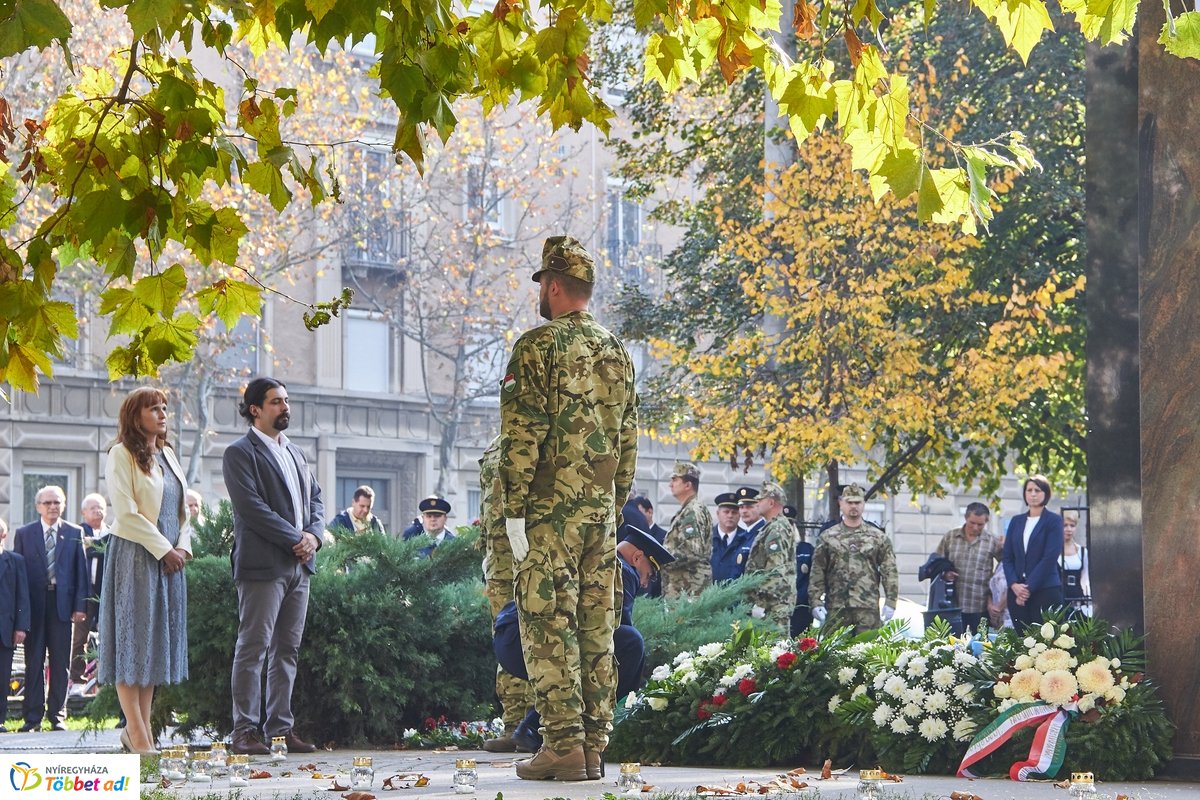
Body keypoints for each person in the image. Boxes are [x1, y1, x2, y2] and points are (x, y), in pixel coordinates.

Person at [499, 235, 638, 781]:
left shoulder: (536, 347)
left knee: (547, 625)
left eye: (542, 284)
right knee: (596, 628)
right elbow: (627, 441)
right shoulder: (618, 353)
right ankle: (595, 746)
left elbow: (521, 438)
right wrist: (612, 504)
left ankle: (562, 747)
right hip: (599, 518)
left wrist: (512, 514)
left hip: (548, 517)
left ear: (553, 286)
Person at [492, 528, 674, 758]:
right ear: (637, 557)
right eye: (650, 574)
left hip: (512, 637)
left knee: (591, 650)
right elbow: (612, 634)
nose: (647, 584)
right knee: (628, 644)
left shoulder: (594, 555)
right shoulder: (621, 569)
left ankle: (533, 728)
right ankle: (608, 721)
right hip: (532, 639)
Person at [222, 377, 324, 756]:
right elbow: (252, 509)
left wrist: (314, 536)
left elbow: (315, 498)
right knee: (253, 648)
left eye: (286, 400)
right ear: (255, 409)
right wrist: (295, 539)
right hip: (263, 567)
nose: (285, 407)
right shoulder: (239, 453)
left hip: (300, 567)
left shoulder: (295, 452)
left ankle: (281, 731)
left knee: (287, 651)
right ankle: (244, 732)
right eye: (277, 402)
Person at [100, 387, 191, 754]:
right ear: (136, 416)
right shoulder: (120, 454)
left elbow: (183, 510)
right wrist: (164, 548)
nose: (162, 413)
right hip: (135, 558)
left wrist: (183, 545)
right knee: (131, 646)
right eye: (154, 408)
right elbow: (126, 514)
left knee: (152, 648)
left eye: (164, 407)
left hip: (169, 563)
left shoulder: (167, 454)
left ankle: (140, 733)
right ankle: (138, 738)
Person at [13, 485, 89, 732]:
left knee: (60, 662)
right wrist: (20, 611)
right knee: (34, 661)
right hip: (34, 607)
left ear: (64, 505)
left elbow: (82, 573)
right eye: (48, 503)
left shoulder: (74, 532)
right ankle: (32, 717)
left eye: (57, 502)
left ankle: (57, 715)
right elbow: (19, 576)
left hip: (62, 606)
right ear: (38, 507)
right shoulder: (25, 534)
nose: (53, 507)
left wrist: (80, 607)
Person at [478, 437, 534, 754]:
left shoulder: (535, 434)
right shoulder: (493, 446)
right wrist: (486, 550)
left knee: (536, 643)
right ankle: (513, 724)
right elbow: (488, 507)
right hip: (499, 563)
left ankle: (536, 727)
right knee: (506, 642)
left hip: (529, 557)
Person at [809, 483, 898, 634]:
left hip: (867, 608)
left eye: (858, 502)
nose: (854, 506)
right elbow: (818, 570)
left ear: (863, 504)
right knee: (835, 655)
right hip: (836, 608)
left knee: (867, 654)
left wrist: (891, 601)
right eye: (849, 502)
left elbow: (889, 570)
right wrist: (815, 600)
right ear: (841, 503)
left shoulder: (877, 537)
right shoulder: (828, 537)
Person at [1002, 475, 1064, 630]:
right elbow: (1007, 556)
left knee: (1044, 644)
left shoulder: (1054, 521)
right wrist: (1014, 584)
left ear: (1046, 493)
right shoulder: (1016, 521)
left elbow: (1049, 558)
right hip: (1016, 593)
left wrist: (1027, 588)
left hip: (1045, 590)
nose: (1033, 494)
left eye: (1038, 490)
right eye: (1029, 490)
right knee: (1022, 643)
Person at [934, 502, 1003, 633]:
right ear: (965, 518)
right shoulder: (950, 537)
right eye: (972, 523)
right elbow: (937, 562)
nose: (975, 527)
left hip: (980, 606)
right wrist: (945, 573)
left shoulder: (992, 541)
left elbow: (1004, 567)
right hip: (952, 604)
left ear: (986, 522)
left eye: (980, 524)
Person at [70, 493, 110, 694]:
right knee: (79, 638)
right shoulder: (75, 532)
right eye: (93, 508)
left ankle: (104, 681)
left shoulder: (112, 533)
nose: (97, 511)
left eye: (101, 507)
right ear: (83, 512)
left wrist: (91, 545)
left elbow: (105, 552)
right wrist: (95, 547)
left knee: (107, 637)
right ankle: (77, 680)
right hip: (83, 593)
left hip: (106, 593)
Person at [743, 482, 797, 627]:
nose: (757, 503)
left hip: (773, 606)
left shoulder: (777, 529)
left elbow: (775, 570)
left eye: (760, 500)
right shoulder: (772, 527)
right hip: (771, 605)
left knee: (775, 648)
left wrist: (761, 603)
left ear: (771, 502)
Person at [658, 462, 713, 599]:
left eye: (675, 479)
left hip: (689, 591)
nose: (670, 484)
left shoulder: (692, 512)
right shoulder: (688, 510)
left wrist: (659, 559)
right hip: (683, 589)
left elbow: (692, 551)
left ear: (688, 485)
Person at [0, 519, 31, 730]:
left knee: (2, 678)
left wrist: (21, 626)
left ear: (4, 535)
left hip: (6, 629)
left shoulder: (15, 561)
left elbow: (22, 597)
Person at [711, 492, 755, 581]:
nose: (730, 516)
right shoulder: (707, 537)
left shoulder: (747, 538)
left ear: (739, 515)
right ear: (718, 513)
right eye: (726, 512)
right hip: (708, 593)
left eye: (734, 512)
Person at [1059, 510, 1091, 617]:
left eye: (1072, 525)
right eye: (1065, 525)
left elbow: (1085, 578)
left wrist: (1087, 598)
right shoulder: (1052, 551)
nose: (1069, 529)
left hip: (1077, 598)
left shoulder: (1082, 551)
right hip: (1058, 597)